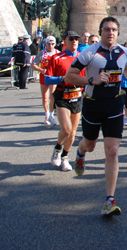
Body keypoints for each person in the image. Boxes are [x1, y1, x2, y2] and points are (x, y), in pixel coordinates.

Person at [64, 17, 127, 216]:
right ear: (101, 31)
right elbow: (69, 76)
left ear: (118, 32)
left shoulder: (124, 52)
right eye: (107, 29)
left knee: (113, 151)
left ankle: (109, 199)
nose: (111, 33)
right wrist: (92, 79)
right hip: (93, 104)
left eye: (114, 29)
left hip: (115, 104)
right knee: (90, 144)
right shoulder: (89, 52)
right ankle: (80, 153)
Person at [44, 31, 84, 172]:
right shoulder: (56, 58)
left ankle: (65, 158)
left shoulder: (82, 58)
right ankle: (58, 148)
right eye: (71, 39)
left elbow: (86, 78)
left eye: (76, 39)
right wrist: (61, 79)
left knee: (72, 133)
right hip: (62, 95)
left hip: (77, 96)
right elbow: (47, 79)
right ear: (65, 42)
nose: (74, 41)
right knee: (66, 130)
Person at [31, 36, 60, 125]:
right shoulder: (41, 53)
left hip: (53, 77)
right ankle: (46, 114)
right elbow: (33, 65)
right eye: (49, 43)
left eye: (52, 44)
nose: (50, 45)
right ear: (45, 44)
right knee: (45, 97)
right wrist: (41, 70)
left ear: (55, 44)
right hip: (44, 76)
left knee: (53, 96)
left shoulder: (57, 53)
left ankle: (51, 114)